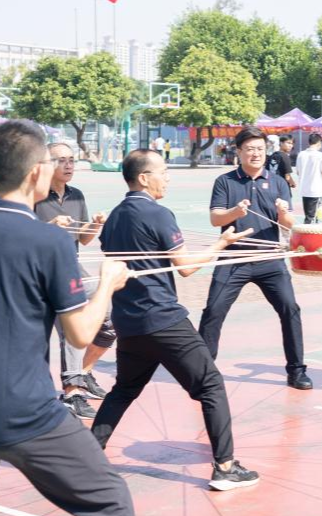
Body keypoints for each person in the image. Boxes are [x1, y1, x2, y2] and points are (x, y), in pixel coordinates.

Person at [0, 119, 146, 516]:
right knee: (111, 501)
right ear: (36, 172)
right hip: (24, 413)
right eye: (52, 161)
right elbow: (81, 334)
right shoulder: (49, 240)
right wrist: (108, 284)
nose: (55, 168)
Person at [91, 149, 261, 490]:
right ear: (144, 178)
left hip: (129, 323)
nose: (167, 178)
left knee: (124, 389)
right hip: (163, 319)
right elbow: (185, 267)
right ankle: (225, 466)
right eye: (163, 171)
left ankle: (88, 457)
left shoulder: (114, 217)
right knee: (210, 386)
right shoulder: (158, 213)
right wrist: (221, 244)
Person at [199, 126, 311, 390]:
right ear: (238, 152)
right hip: (234, 259)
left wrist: (283, 212)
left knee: (290, 309)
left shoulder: (278, 182)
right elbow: (215, 218)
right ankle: (201, 372)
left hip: (269, 259)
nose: (256, 153)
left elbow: (289, 224)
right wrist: (235, 213)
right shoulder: (225, 181)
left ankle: (296, 371)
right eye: (249, 149)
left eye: (260, 149)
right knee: (214, 310)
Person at [34, 142, 110, 419]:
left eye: (71, 160)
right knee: (69, 328)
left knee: (110, 318)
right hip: (42, 271)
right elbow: (21, 235)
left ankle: (83, 372)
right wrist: (49, 227)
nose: (68, 165)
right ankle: (71, 391)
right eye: (61, 160)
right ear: (46, 164)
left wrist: (96, 223)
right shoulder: (35, 195)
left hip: (72, 267)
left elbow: (85, 238)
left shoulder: (76, 195)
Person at [294, 132, 322, 223]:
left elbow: (298, 172)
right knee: (313, 218)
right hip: (315, 190)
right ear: (319, 143)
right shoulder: (319, 155)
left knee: (308, 216)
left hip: (304, 189)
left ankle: (307, 230)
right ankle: (309, 232)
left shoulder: (301, 154)